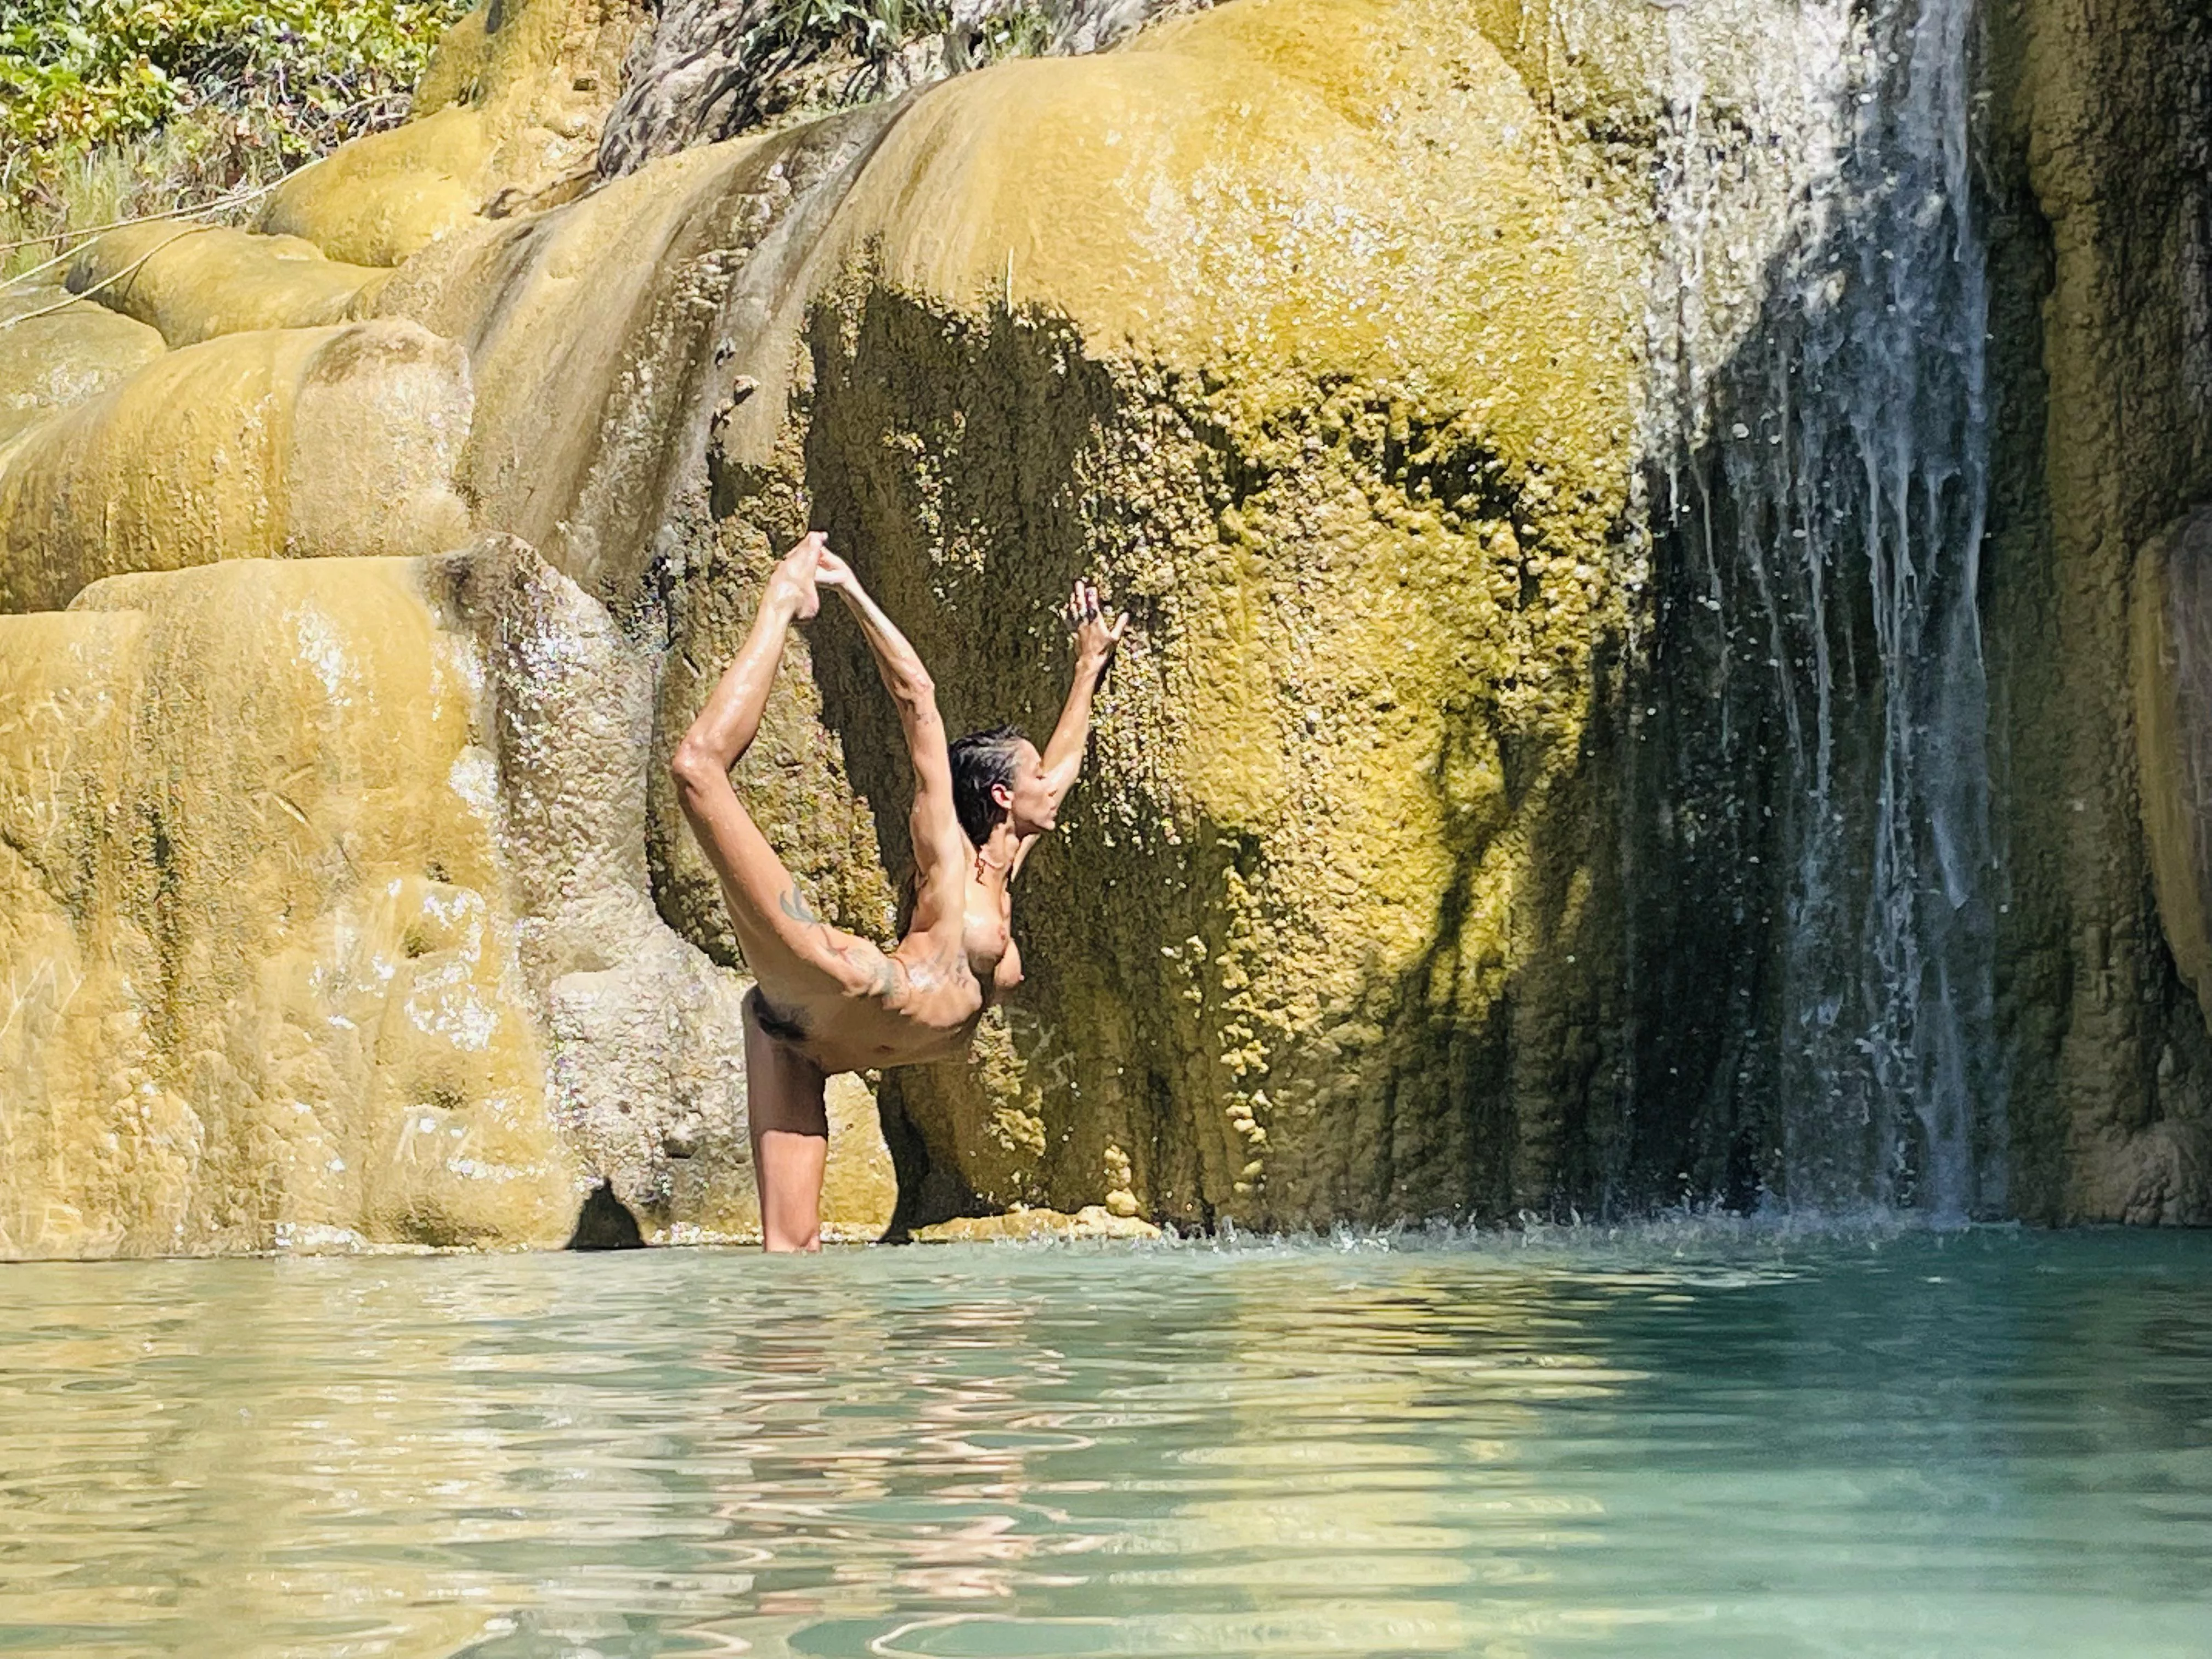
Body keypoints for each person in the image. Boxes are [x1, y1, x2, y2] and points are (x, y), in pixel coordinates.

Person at [669, 532, 1128, 1251]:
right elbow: (918, 699)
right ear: (1004, 795)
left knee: (792, 1252)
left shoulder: (1007, 867)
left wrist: (1088, 665)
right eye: (1035, 775)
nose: (1054, 783)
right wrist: (849, 590)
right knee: (697, 769)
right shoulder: (947, 857)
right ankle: (781, 602)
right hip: (841, 981)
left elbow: (1062, 764)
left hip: (809, 1045)